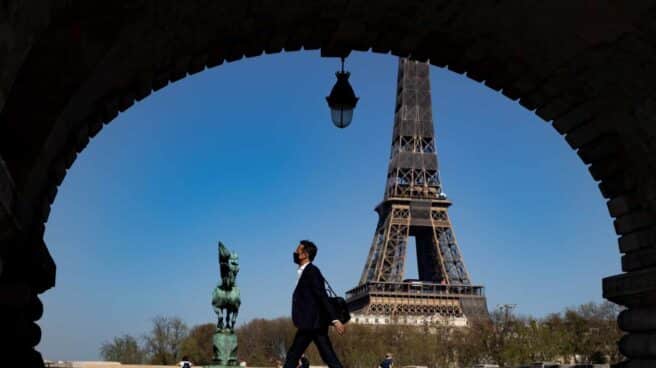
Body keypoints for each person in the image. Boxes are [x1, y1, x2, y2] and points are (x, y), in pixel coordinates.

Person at [283, 240, 346, 368]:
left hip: (311, 323)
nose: (295, 252)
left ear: (305, 254)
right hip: (313, 323)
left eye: (297, 250)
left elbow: (322, 296)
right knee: (328, 356)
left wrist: (335, 319)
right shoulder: (306, 271)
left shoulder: (312, 271)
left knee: (293, 355)